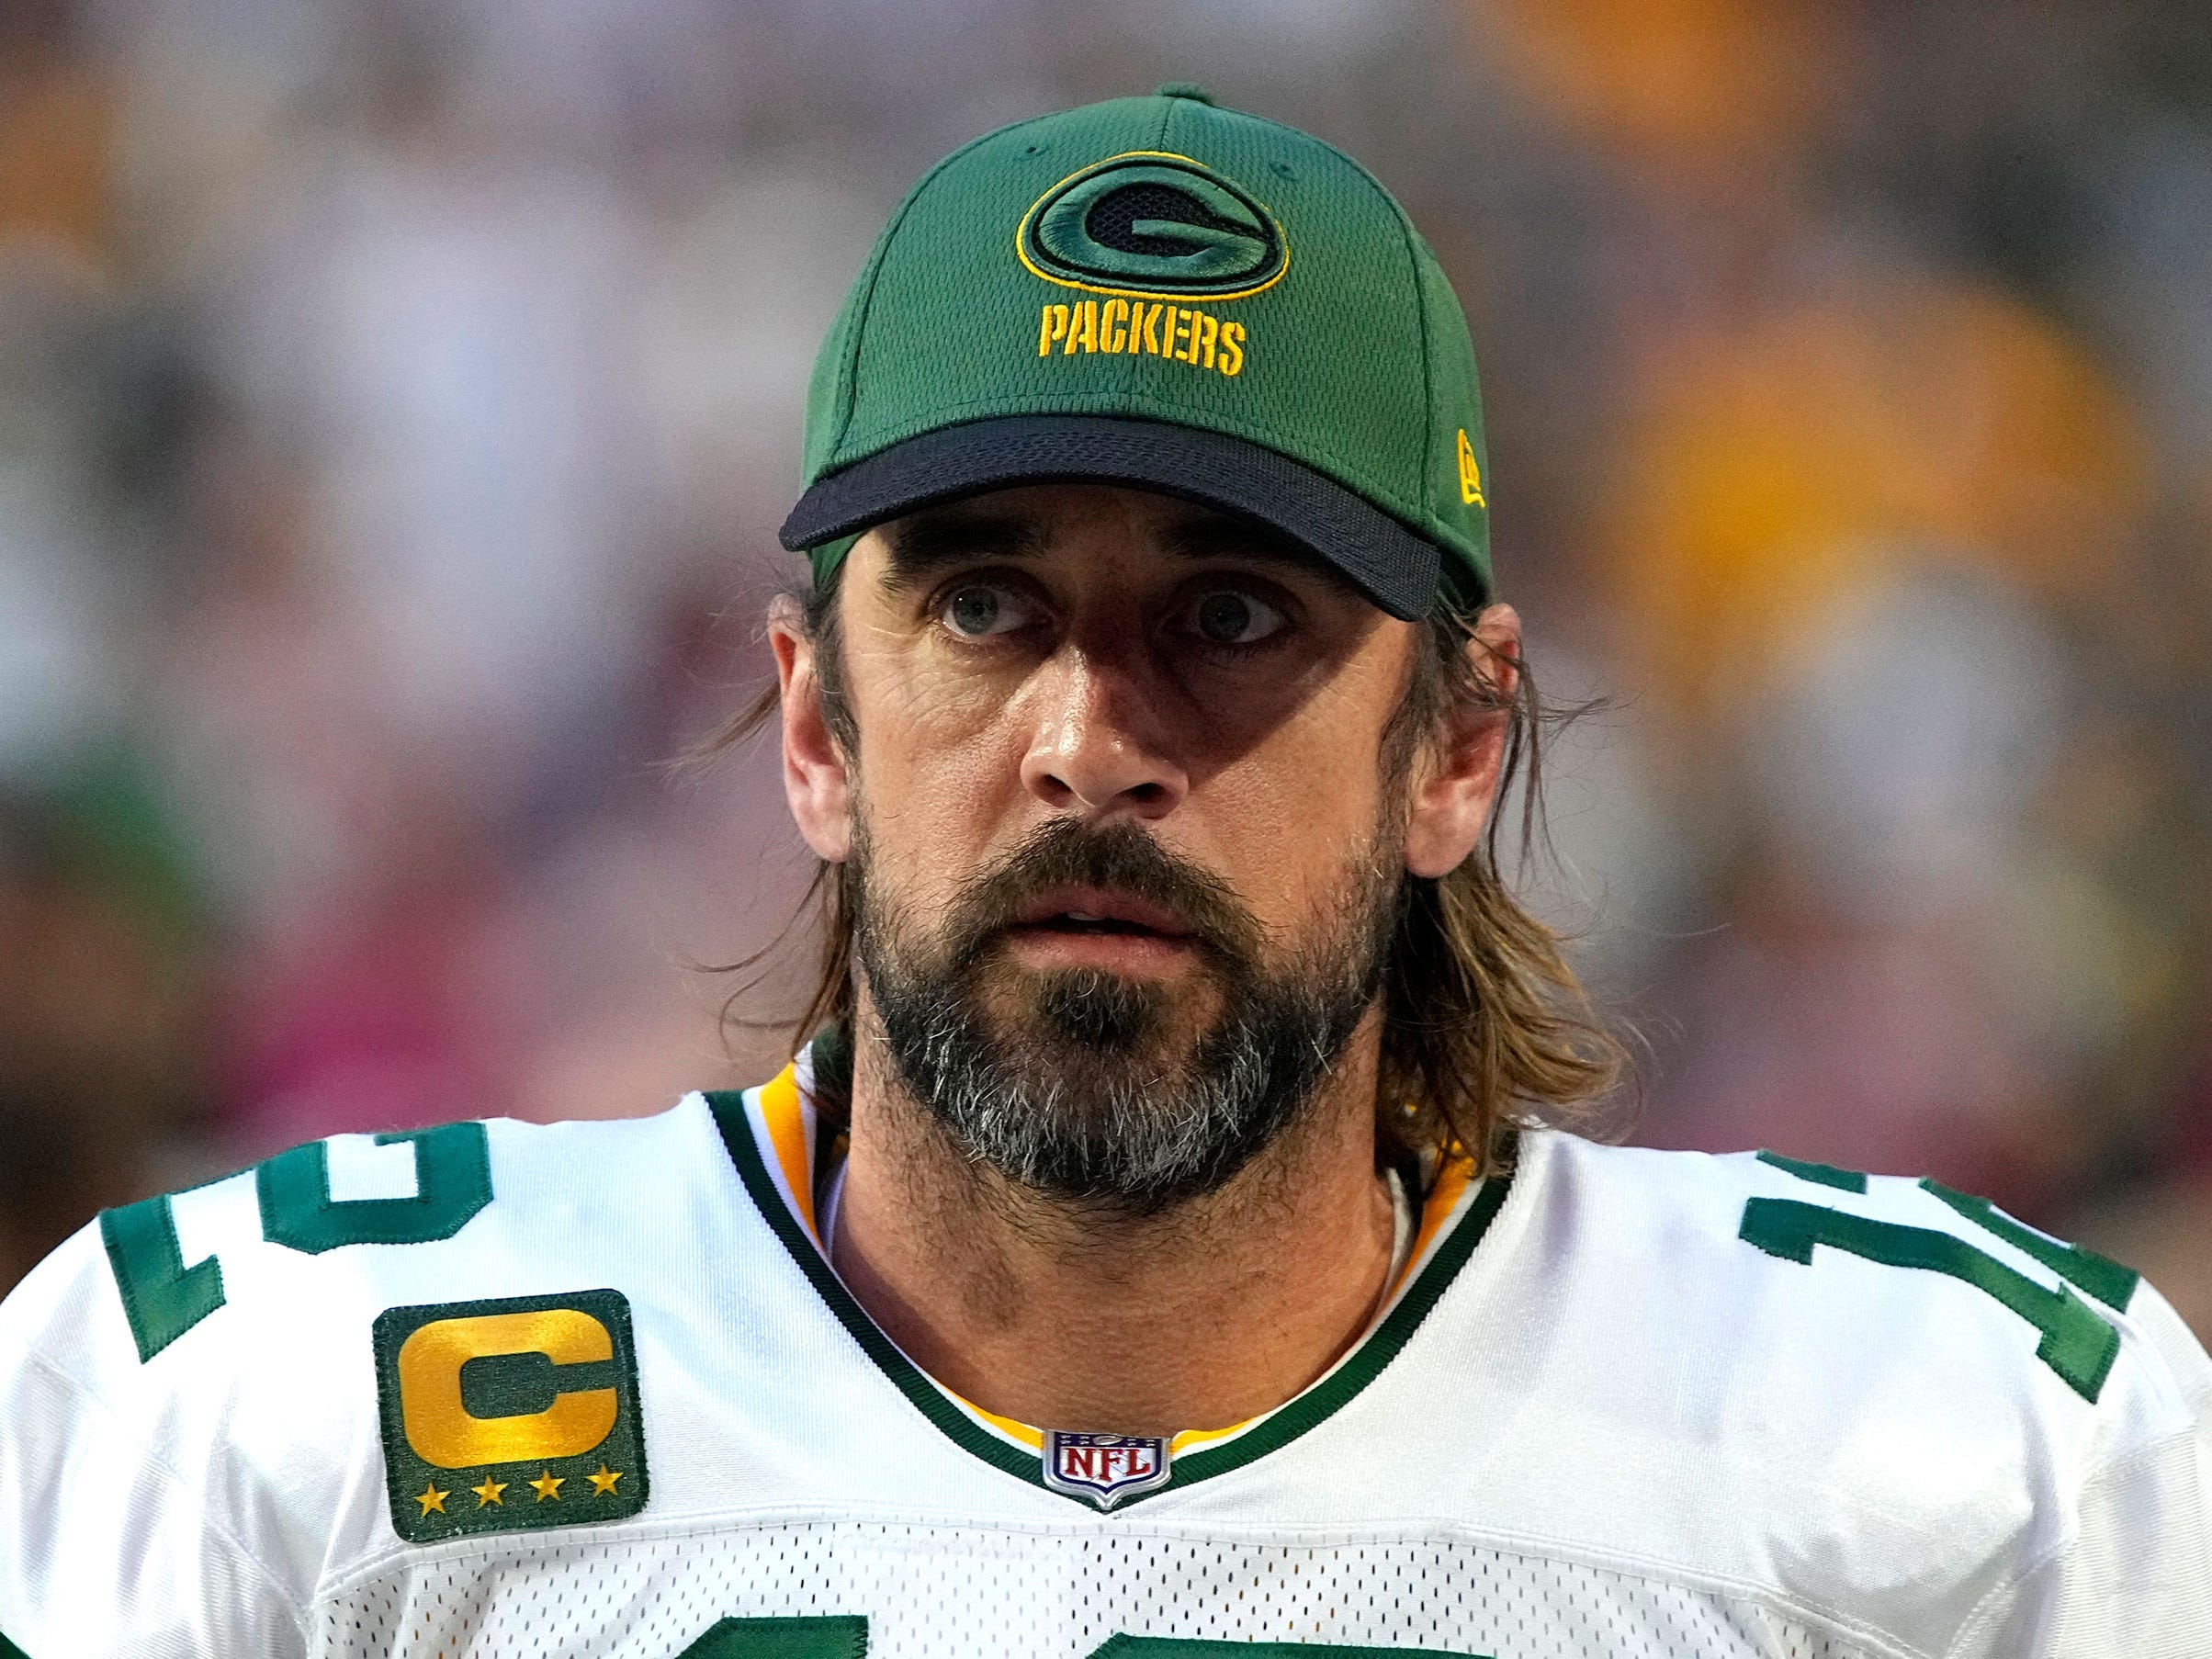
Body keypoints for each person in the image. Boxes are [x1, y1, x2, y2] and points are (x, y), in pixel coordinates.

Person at [2, 86, 2206, 1659]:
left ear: (1455, 745)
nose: (1088, 739)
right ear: (810, 723)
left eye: (1231, 616)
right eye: (980, 608)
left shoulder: (1947, 1453)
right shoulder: (252, 1397)